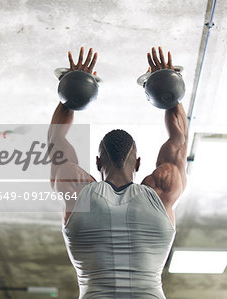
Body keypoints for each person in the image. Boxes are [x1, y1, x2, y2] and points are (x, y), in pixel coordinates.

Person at [48, 46, 188, 298]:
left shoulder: (76, 188)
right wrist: (168, 90)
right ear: (138, 163)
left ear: (98, 162)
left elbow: (56, 138)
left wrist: (74, 91)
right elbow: (179, 139)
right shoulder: (162, 189)